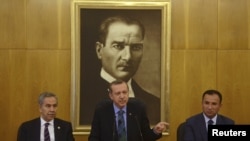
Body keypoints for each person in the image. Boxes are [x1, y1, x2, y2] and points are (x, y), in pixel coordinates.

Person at [81, 15, 160, 125]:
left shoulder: (155, 104)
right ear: (99, 50)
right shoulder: (82, 100)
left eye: (136, 47)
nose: (127, 57)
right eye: (118, 46)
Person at [88, 79, 169, 141]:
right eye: (118, 93)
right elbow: (94, 137)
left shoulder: (138, 108)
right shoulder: (102, 110)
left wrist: (155, 131)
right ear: (111, 96)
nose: (122, 96)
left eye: (124, 92)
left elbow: (145, 136)